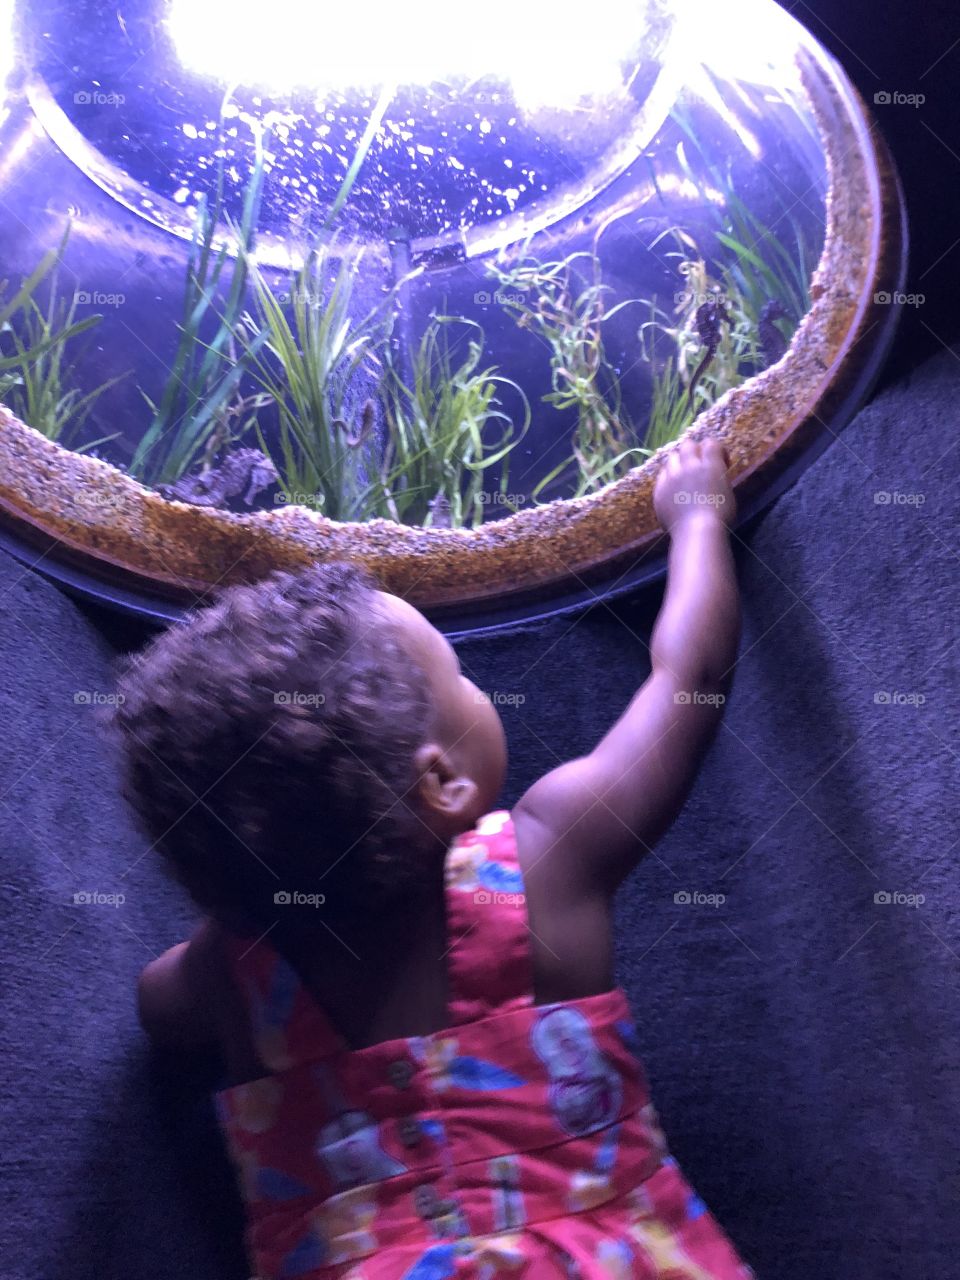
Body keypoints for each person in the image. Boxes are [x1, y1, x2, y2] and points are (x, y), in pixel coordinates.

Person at [113, 437, 752, 1278]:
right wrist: (698, 518)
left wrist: (250, 892)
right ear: (442, 781)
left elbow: (156, 1008)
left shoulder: (234, 978)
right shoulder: (543, 863)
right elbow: (688, 679)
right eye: (461, 677)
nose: (475, 685)